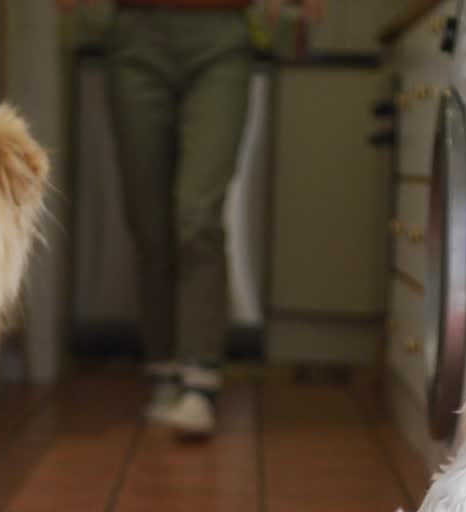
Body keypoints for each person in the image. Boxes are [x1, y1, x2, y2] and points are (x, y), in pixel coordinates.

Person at [58, 0, 323, 437]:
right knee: (149, 220)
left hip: (222, 36)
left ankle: (200, 382)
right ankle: (164, 372)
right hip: (135, 35)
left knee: (197, 214)